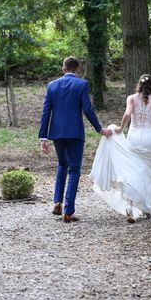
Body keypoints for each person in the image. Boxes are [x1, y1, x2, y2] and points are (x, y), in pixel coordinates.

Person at [89, 74, 151, 223]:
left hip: (134, 138)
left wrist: (121, 128)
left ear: (138, 85)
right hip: (150, 140)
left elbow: (127, 114)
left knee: (133, 171)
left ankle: (129, 205)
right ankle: (146, 209)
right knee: (148, 174)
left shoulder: (132, 98)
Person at [39, 56, 112, 223]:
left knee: (62, 164)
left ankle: (57, 202)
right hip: (75, 133)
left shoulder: (52, 86)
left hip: (56, 133)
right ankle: (68, 211)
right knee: (74, 170)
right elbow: (87, 109)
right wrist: (99, 128)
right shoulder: (81, 85)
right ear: (78, 69)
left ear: (63, 69)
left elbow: (46, 112)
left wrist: (43, 137)